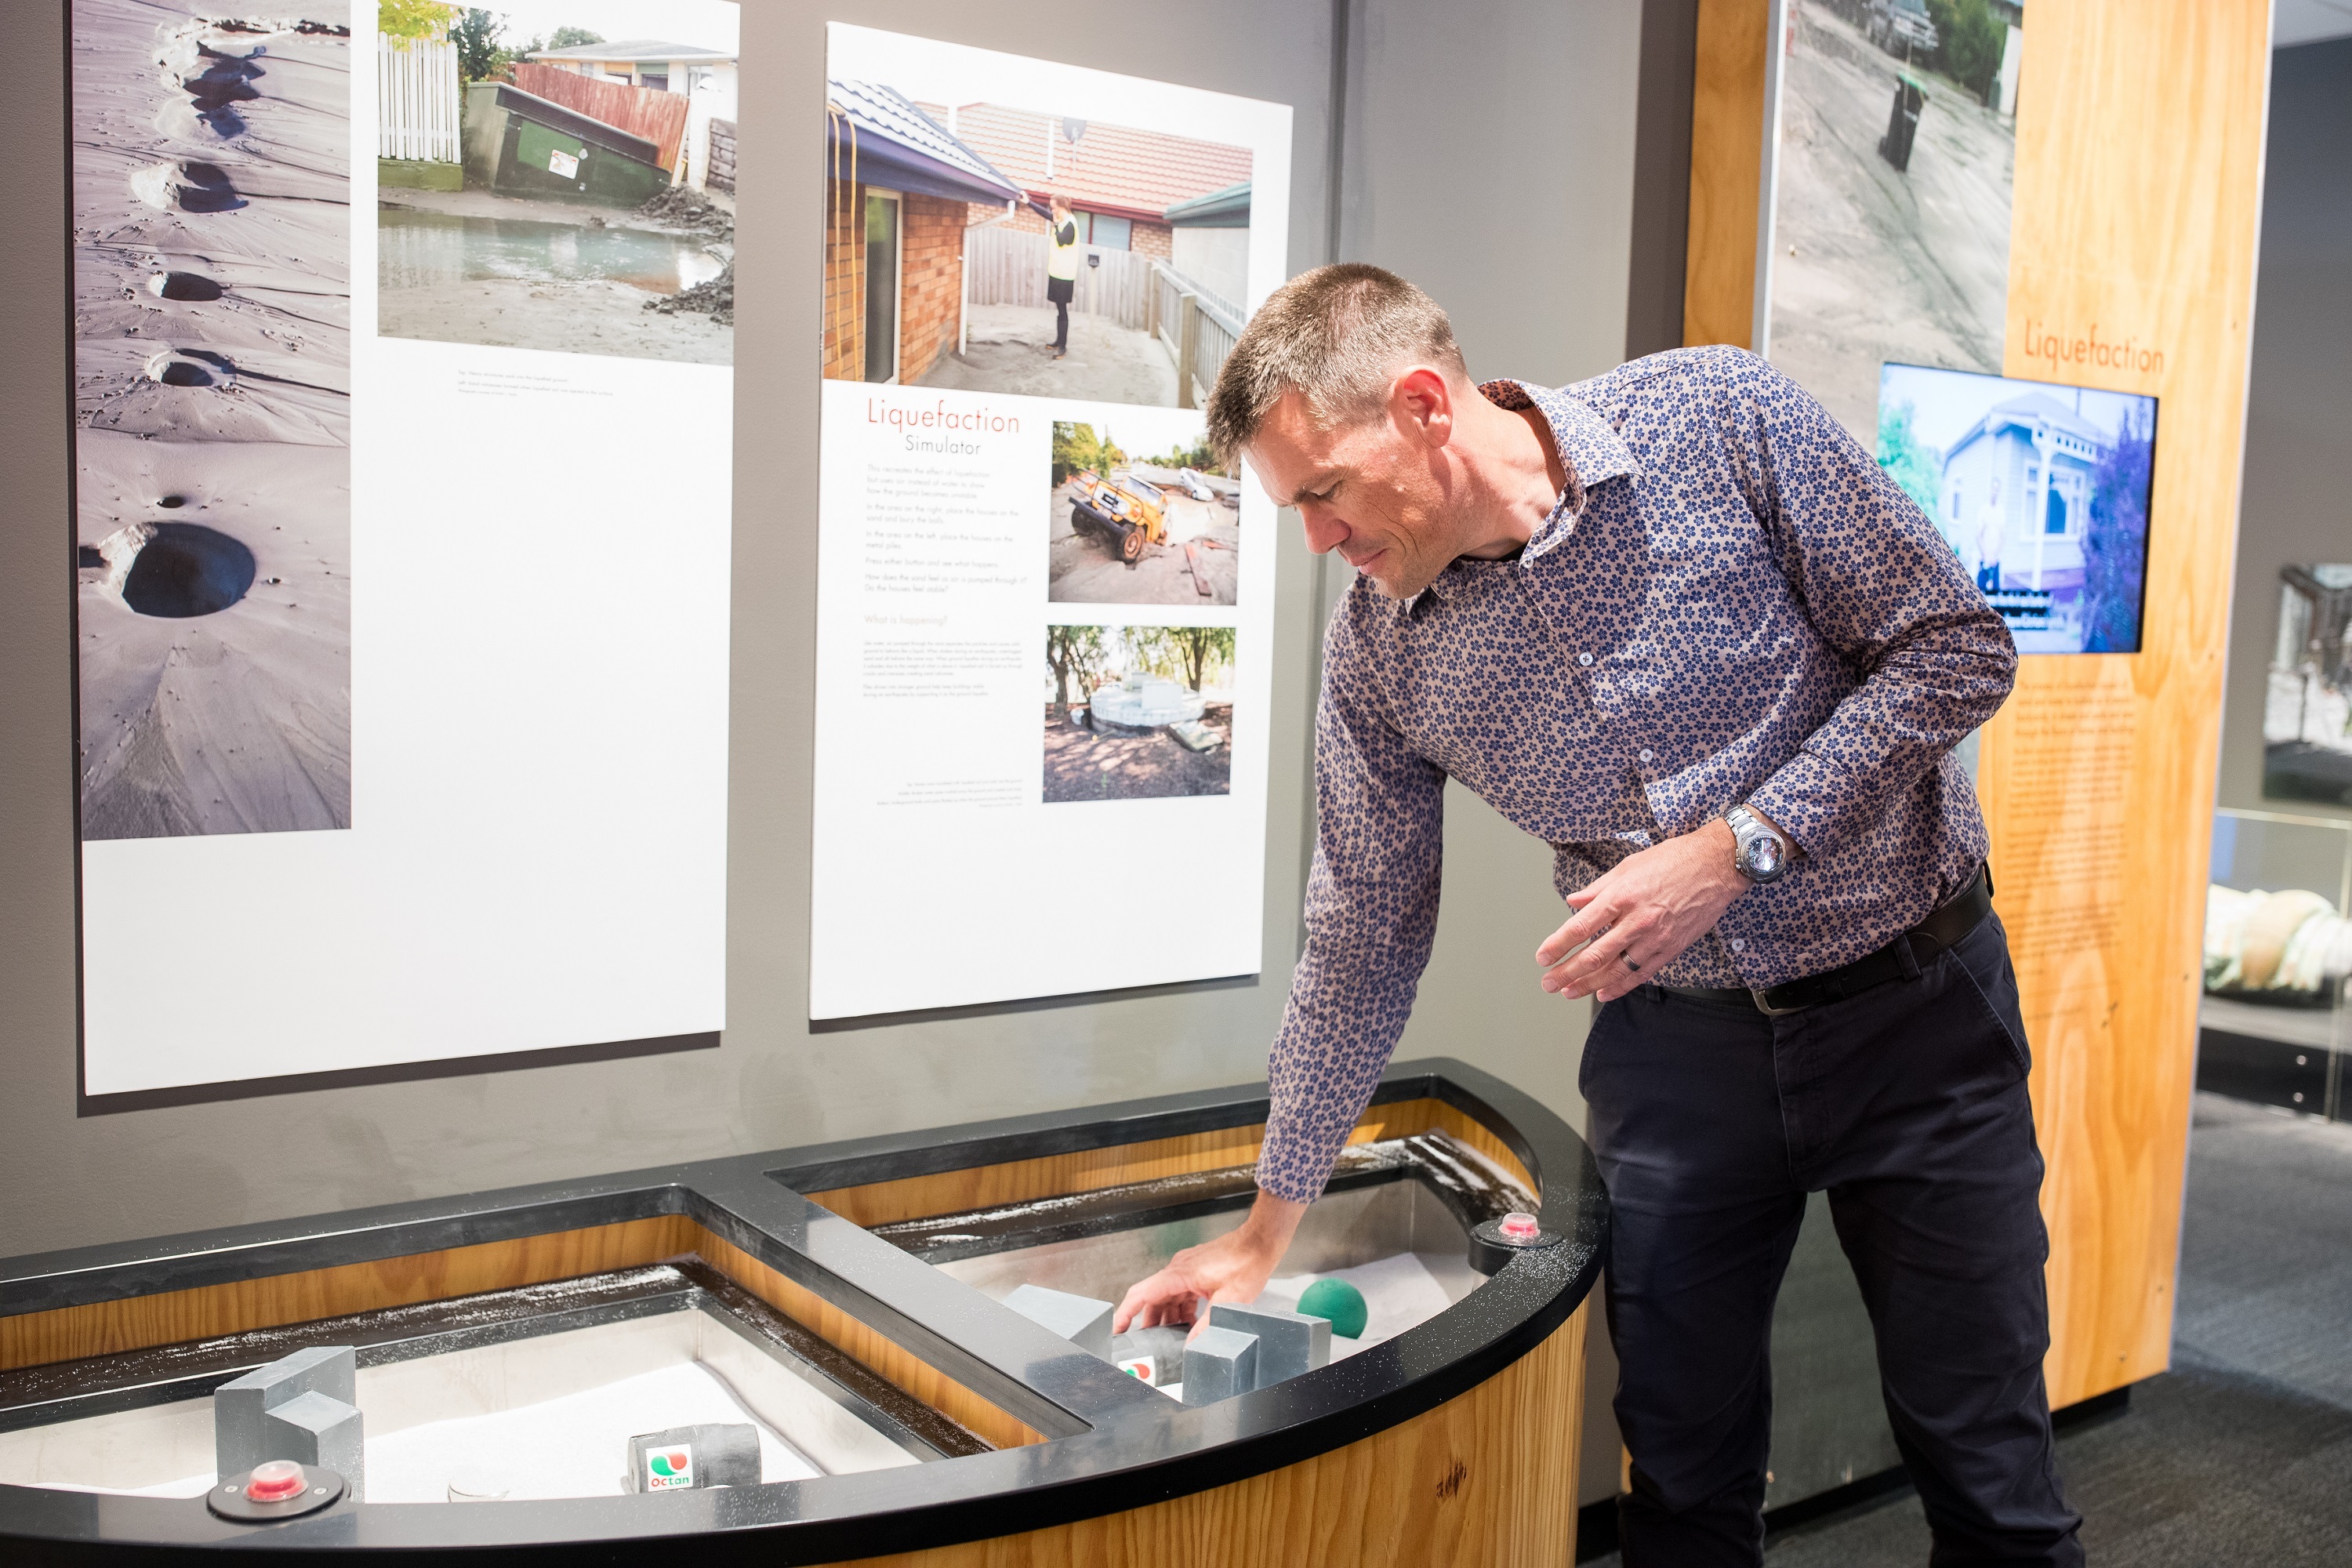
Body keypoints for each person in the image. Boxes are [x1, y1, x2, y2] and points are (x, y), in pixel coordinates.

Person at [1111, 264, 2082, 1567]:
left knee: (1987, 1468)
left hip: (1916, 1017)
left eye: (1323, 493)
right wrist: (1263, 1229)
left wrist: (1737, 848)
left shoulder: (1720, 419)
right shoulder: (1380, 652)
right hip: (1677, 1063)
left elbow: (1957, 648)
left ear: (1421, 410)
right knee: (1680, 1482)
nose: (1318, 540)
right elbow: (1361, 934)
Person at [1045, 195, 1080, 361]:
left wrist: (1056, 224)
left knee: (1063, 311)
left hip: (1065, 276)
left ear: (1062, 207)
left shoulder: (1070, 224)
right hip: (1057, 272)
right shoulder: (1062, 221)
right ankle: (1059, 341)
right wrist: (1028, 202)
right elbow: (1045, 215)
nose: (1052, 211)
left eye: (1054, 207)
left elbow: (1062, 240)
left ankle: (1063, 347)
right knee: (1060, 310)